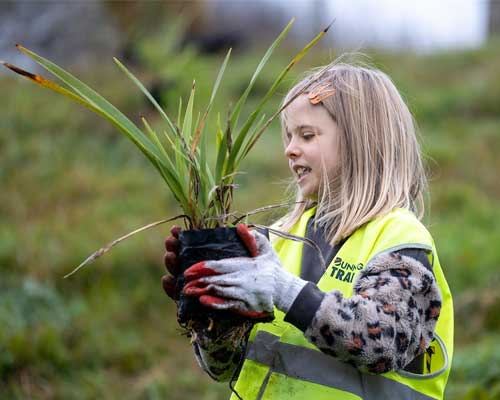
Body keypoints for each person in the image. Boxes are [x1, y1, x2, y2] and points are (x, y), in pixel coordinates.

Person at [162, 61, 453, 400]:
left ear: (361, 138)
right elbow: (224, 370)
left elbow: (384, 342)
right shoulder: (276, 241)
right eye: (288, 137)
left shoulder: (399, 238)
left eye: (307, 135)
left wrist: (283, 290)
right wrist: (212, 319)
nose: (289, 150)